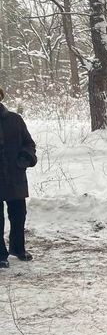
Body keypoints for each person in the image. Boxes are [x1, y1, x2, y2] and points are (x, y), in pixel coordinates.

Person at [0, 87, 36, 268]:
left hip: (14, 176)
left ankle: (18, 248)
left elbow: (29, 144)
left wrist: (24, 160)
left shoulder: (15, 120)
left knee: (18, 215)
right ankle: (0, 254)